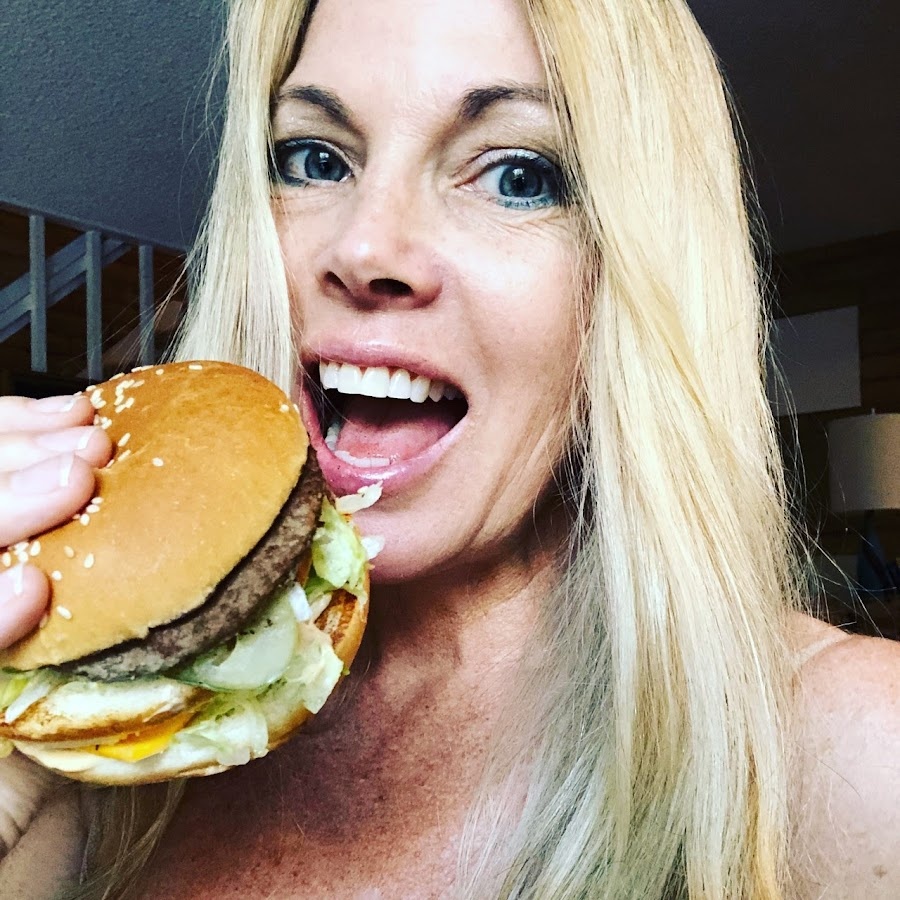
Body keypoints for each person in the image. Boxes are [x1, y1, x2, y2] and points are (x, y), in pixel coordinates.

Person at [1, 0, 899, 896]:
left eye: (517, 175)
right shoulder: (98, 761)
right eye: (315, 159)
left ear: (632, 274)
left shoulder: (856, 757)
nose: (365, 248)